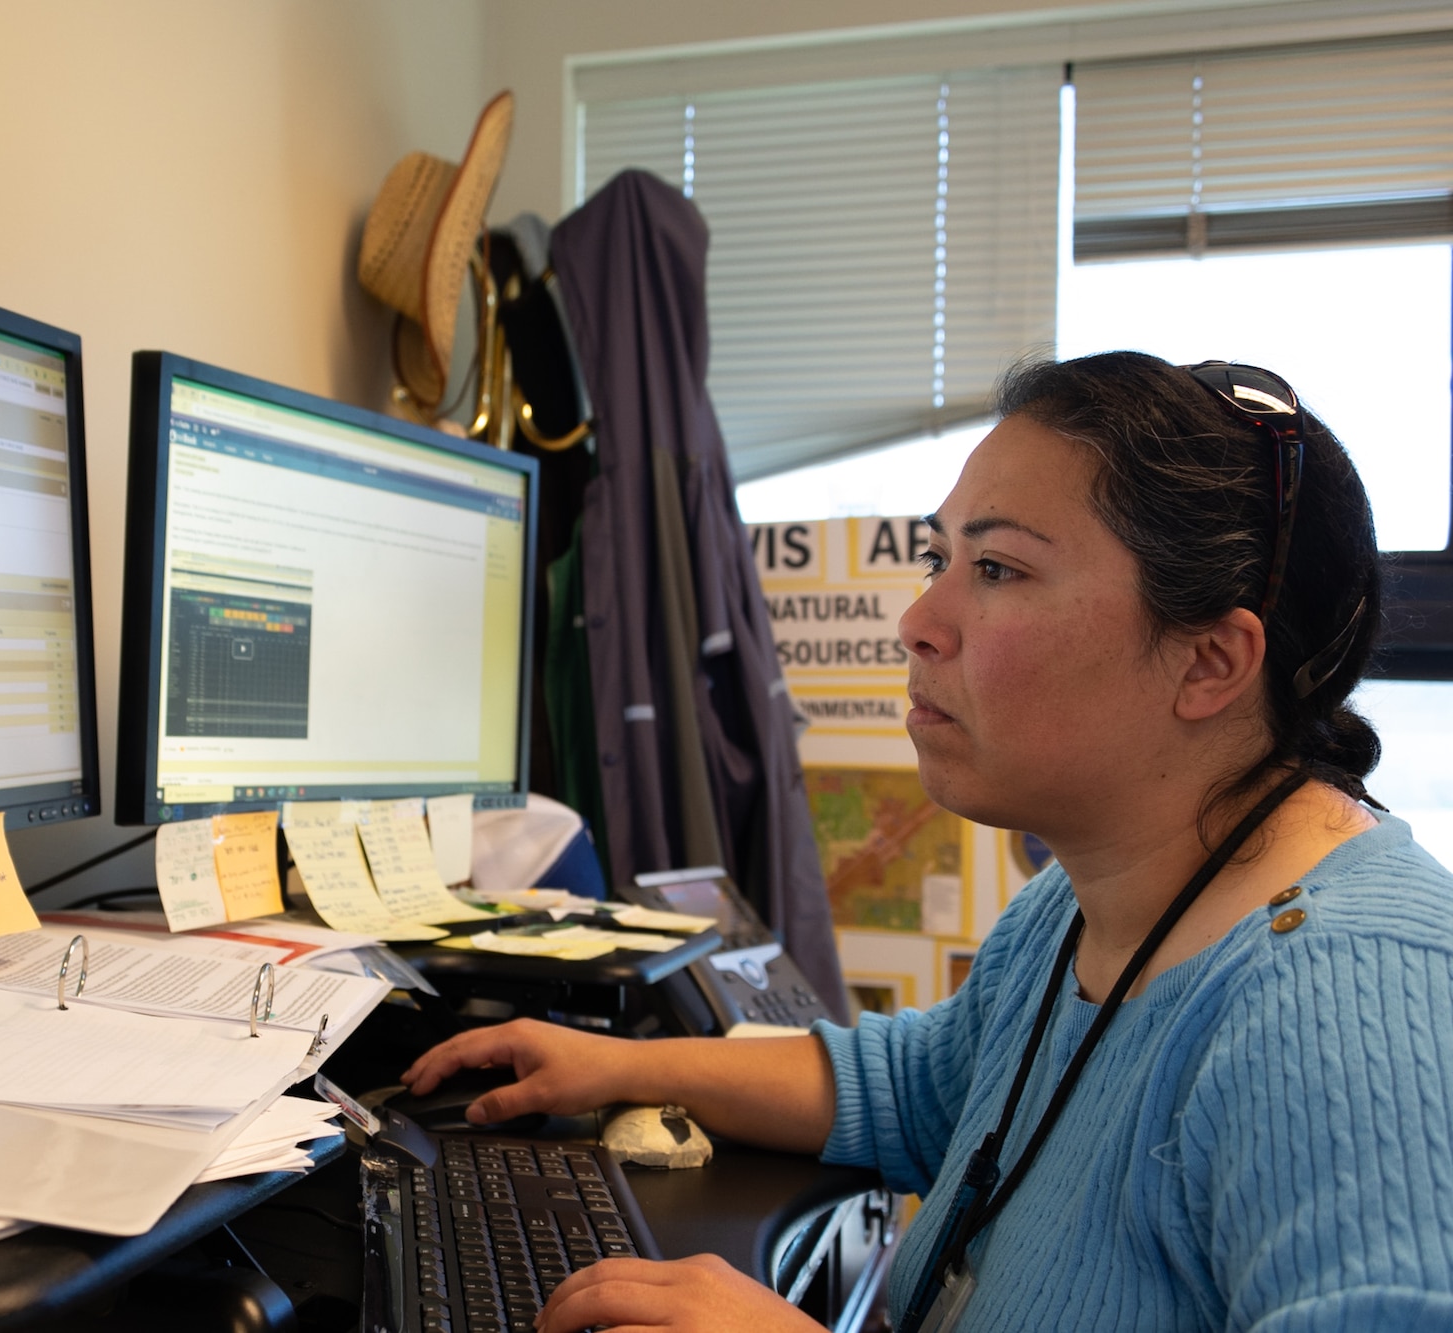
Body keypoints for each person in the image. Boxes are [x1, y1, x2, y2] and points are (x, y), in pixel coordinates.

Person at [402, 352, 1453, 1332]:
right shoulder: (1080, 904)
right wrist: (610, 1063)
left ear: (1211, 661)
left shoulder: (1343, 1004)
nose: (918, 619)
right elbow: (919, 1087)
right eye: (938, 557)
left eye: (995, 568)